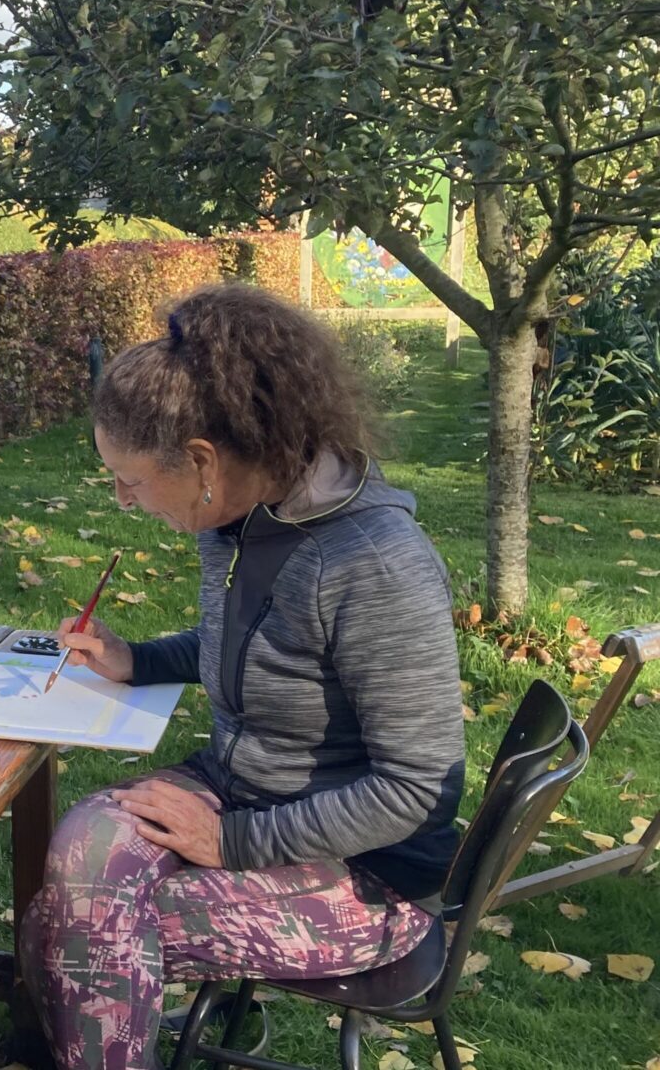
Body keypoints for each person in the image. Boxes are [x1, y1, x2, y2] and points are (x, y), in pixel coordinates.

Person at [23, 285, 465, 1068]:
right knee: (78, 858)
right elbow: (260, 647)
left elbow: (418, 787)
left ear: (200, 462)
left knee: (82, 930)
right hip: (246, 791)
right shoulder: (238, 518)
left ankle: (90, 1034)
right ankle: (95, 1034)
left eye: (129, 478)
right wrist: (140, 660)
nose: (122, 499)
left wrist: (231, 840)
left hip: (370, 880)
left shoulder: (374, 565)